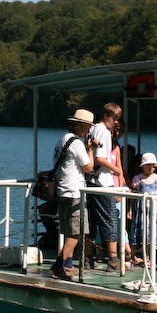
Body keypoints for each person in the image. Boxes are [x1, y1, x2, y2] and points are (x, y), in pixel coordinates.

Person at [51, 109, 96, 281]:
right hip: (74, 192)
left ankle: (64, 264)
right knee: (76, 232)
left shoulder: (62, 139)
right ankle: (59, 265)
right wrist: (90, 150)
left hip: (62, 190)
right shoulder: (77, 143)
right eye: (87, 128)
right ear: (81, 126)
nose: (88, 131)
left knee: (68, 230)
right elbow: (88, 167)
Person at [87, 102, 125, 270]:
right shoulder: (103, 131)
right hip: (103, 183)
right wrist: (116, 169)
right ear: (110, 117)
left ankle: (87, 257)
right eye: (116, 119)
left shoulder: (93, 128)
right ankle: (113, 258)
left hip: (91, 182)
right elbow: (100, 159)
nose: (117, 123)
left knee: (91, 221)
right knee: (109, 219)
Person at [128, 151, 157, 267]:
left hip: (152, 211)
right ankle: (134, 256)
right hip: (140, 211)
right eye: (148, 165)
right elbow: (133, 197)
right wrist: (130, 210)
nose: (151, 168)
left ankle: (149, 257)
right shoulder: (137, 179)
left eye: (152, 165)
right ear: (143, 166)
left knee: (151, 234)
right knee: (136, 232)